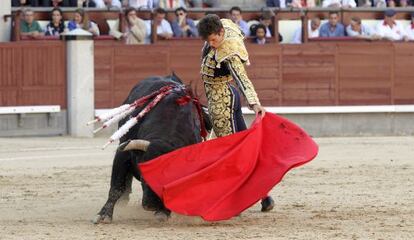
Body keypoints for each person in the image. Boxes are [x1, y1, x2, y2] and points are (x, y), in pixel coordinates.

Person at [197, 14, 274, 212]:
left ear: (221, 33)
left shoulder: (228, 50)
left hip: (222, 101)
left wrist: (254, 102)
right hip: (228, 95)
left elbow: (241, 77)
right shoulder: (222, 26)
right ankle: (264, 195)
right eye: (208, 40)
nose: (212, 44)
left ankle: (235, 201)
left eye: (214, 39)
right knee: (243, 148)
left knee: (230, 153)